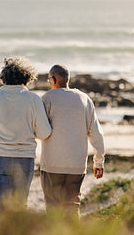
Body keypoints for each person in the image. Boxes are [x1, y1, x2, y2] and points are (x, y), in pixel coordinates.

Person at [0, 57, 52, 208]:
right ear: (27, 77)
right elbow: (45, 133)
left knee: (0, 206)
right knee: (19, 206)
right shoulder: (33, 100)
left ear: (4, 77)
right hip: (24, 158)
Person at [40, 64, 105, 216]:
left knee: (53, 210)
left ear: (53, 79)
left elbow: (40, 131)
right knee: (72, 208)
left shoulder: (47, 99)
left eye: (50, 79)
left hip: (52, 166)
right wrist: (98, 161)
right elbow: (96, 133)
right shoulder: (85, 99)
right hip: (76, 166)